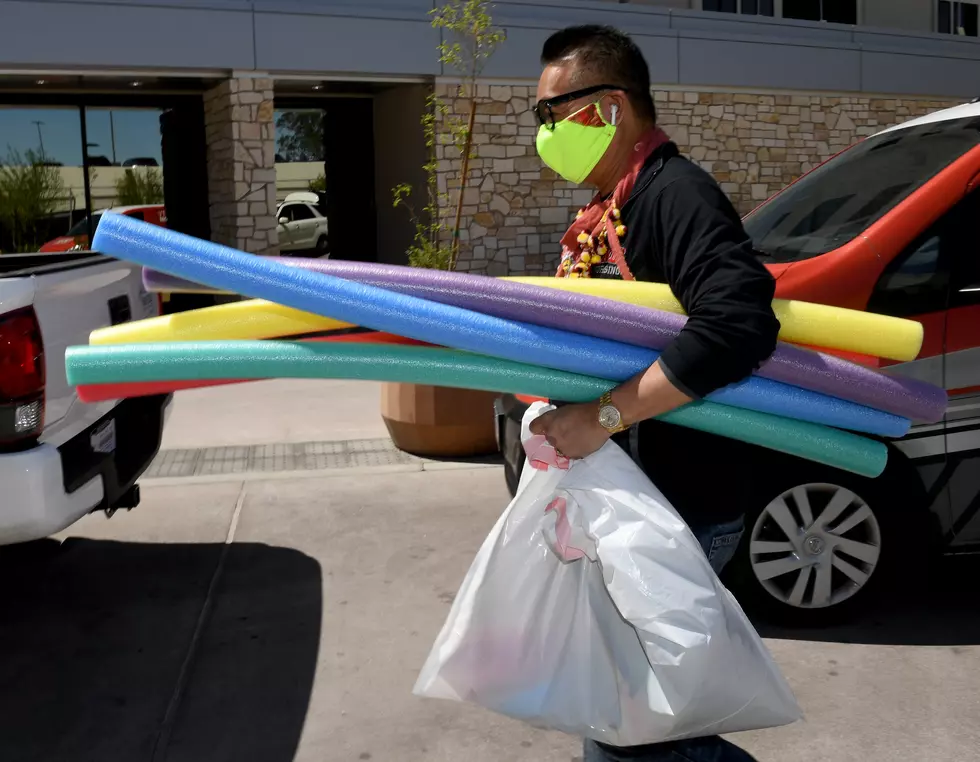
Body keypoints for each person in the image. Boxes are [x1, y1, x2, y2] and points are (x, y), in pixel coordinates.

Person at [526, 24, 781, 762]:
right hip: (630, 505)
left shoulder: (677, 194)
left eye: (551, 115)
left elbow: (738, 321)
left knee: (629, 736)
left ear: (607, 107)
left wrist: (603, 416)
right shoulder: (611, 210)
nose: (543, 135)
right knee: (628, 723)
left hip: (681, 510)